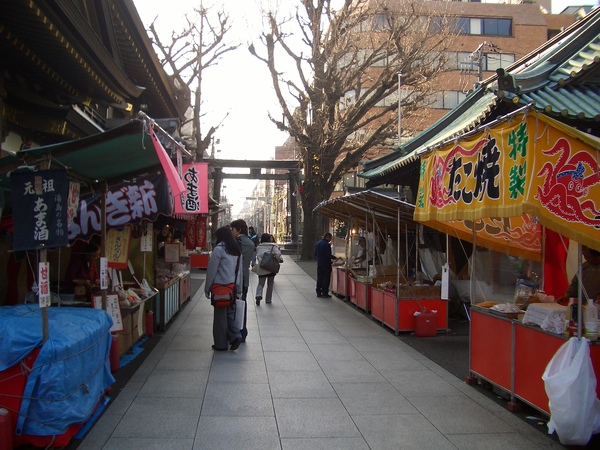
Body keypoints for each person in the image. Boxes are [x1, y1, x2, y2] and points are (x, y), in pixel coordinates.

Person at [204, 226, 243, 351]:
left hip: (220, 288)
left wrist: (207, 288)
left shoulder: (219, 249)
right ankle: (235, 336)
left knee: (220, 316)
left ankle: (220, 344)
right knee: (230, 314)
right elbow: (240, 270)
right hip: (232, 287)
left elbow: (212, 270)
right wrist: (239, 288)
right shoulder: (236, 249)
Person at [230, 219, 254, 342]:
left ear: (238, 229)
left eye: (233, 229)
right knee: (242, 304)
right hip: (245, 279)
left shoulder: (234, 243)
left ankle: (233, 332)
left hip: (234, 279)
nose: (231, 232)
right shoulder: (250, 243)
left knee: (231, 306)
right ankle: (242, 330)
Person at [254, 233, 282, 305]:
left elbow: (258, 256)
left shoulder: (258, 247)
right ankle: (268, 299)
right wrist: (278, 260)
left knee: (260, 283)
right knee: (270, 284)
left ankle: (258, 295)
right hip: (271, 268)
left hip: (262, 267)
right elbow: (277, 254)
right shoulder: (273, 246)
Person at [315, 232, 339, 298]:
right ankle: (325, 292)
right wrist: (335, 257)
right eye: (330, 238)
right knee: (326, 278)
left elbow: (315, 253)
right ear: (327, 237)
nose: (330, 239)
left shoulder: (318, 243)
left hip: (319, 263)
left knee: (319, 278)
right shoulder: (327, 245)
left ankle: (318, 291)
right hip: (326, 264)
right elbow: (328, 255)